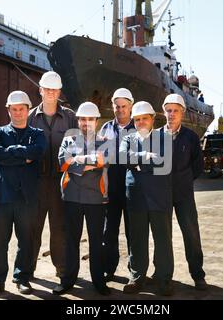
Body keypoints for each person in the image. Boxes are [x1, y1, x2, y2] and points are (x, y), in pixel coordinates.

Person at [0, 91, 46, 298]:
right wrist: (22, 154)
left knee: (26, 240)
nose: (18, 113)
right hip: (2, 197)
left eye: (21, 109)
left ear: (28, 110)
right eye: (14, 109)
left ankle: (22, 278)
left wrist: (12, 153)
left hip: (27, 197)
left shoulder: (37, 134)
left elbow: (37, 152)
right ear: (8, 110)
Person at [53, 102, 110, 296]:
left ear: (96, 120)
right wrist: (88, 161)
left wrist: (77, 160)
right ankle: (68, 280)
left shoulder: (104, 141)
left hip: (96, 199)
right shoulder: (69, 141)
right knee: (71, 240)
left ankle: (99, 281)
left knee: (96, 242)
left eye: (90, 119)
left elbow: (102, 161)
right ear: (78, 121)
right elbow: (62, 163)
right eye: (83, 119)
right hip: (72, 198)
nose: (86, 123)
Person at [120, 101, 174, 296]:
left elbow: (164, 162)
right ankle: (137, 277)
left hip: (159, 198)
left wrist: (138, 163)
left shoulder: (165, 137)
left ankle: (164, 278)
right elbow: (123, 157)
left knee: (163, 240)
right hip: (136, 198)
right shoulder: (128, 139)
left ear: (152, 119)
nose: (141, 122)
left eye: (144, 118)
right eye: (137, 119)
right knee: (137, 239)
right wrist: (147, 156)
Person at [28, 71, 78, 279]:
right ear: (40, 90)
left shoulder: (69, 117)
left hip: (61, 182)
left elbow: (79, 146)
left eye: (54, 89)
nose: (50, 92)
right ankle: (26, 270)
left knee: (59, 228)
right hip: (36, 182)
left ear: (59, 92)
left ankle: (62, 268)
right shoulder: (30, 116)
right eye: (46, 88)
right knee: (32, 227)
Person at [160, 94, 208, 291]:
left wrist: (184, 181)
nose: (171, 114)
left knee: (191, 234)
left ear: (182, 113)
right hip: (161, 194)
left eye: (175, 111)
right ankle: (165, 276)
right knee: (163, 237)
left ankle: (198, 275)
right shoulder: (155, 136)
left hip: (184, 194)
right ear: (164, 112)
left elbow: (198, 166)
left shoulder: (191, 137)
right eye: (168, 110)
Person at [98, 88, 135, 282]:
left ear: (130, 107)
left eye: (124, 106)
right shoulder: (105, 129)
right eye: (117, 106)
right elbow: (98, 159)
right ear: (112, 107)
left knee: (133, 232)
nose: (120, 110)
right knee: (109, 231)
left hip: (131, 190)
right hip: (110, 190)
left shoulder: (138, 129)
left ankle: (134, 270)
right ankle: (108, 268)